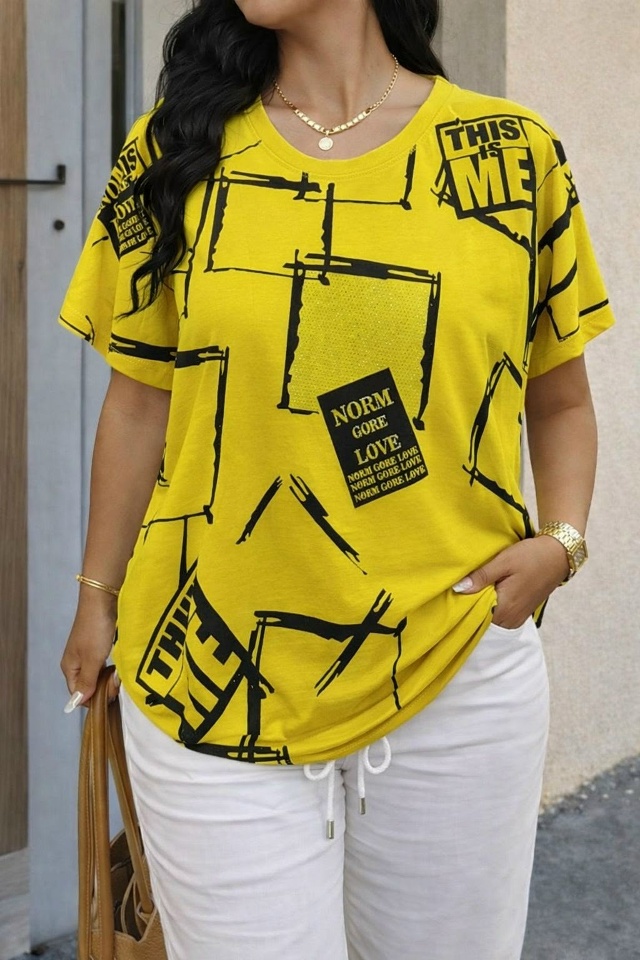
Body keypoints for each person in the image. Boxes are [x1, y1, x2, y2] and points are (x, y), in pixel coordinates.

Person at [59, 1, 615, 958]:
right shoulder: (174, 149)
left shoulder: (513, 155)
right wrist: (95, 597)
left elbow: (559, 399)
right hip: (211, 675)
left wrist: (560, 545)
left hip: (457, 667)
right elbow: (139, 402)